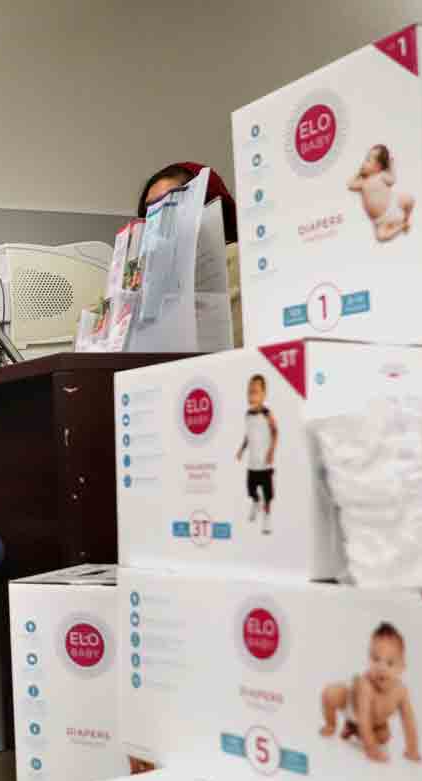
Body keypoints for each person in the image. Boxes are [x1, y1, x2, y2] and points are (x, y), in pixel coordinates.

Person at [136, 161, 244, 346]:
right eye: (151, 212)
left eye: (170, 206)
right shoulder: (146, 279)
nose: (158, 221)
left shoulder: (235, 258)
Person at [319, 622, 422, 764]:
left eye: (390, 663)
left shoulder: (401, 692)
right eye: (375, 659)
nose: (381, 667)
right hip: (352, 704)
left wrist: (412, 748)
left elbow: (408, 720)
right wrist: (371, 749)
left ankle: (352, 728)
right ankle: (331, 724)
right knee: (329, 693)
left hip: (374, 722)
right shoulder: (366, 686)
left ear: (402, 667)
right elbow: (364, 718)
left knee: (383, 738)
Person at [236, 374, 277, 535]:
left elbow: (275, 432)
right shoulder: (247, 415)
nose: (251, 395)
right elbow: (248, 435)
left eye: (255, 392)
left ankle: (267, 516)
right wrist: (241, 449)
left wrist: (271, 451)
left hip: (265, 464)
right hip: (252, 463)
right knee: (251, 490)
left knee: (268, 494)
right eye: (249, 392)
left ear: (263, 394)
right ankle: (255, 501)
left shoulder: (267, 414)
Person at [348, 144, 415, 242]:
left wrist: (391, 166)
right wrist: (358, 173)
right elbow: (350, 185)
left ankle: (406, 218)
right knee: (381, 237)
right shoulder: (362, 183)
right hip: (381, 221)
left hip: (394, 205)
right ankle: (401, 227)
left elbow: (392, 180)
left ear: (378, 167)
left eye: (368, 160)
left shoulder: (381, 176)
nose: (363, 163)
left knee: (409, 199)